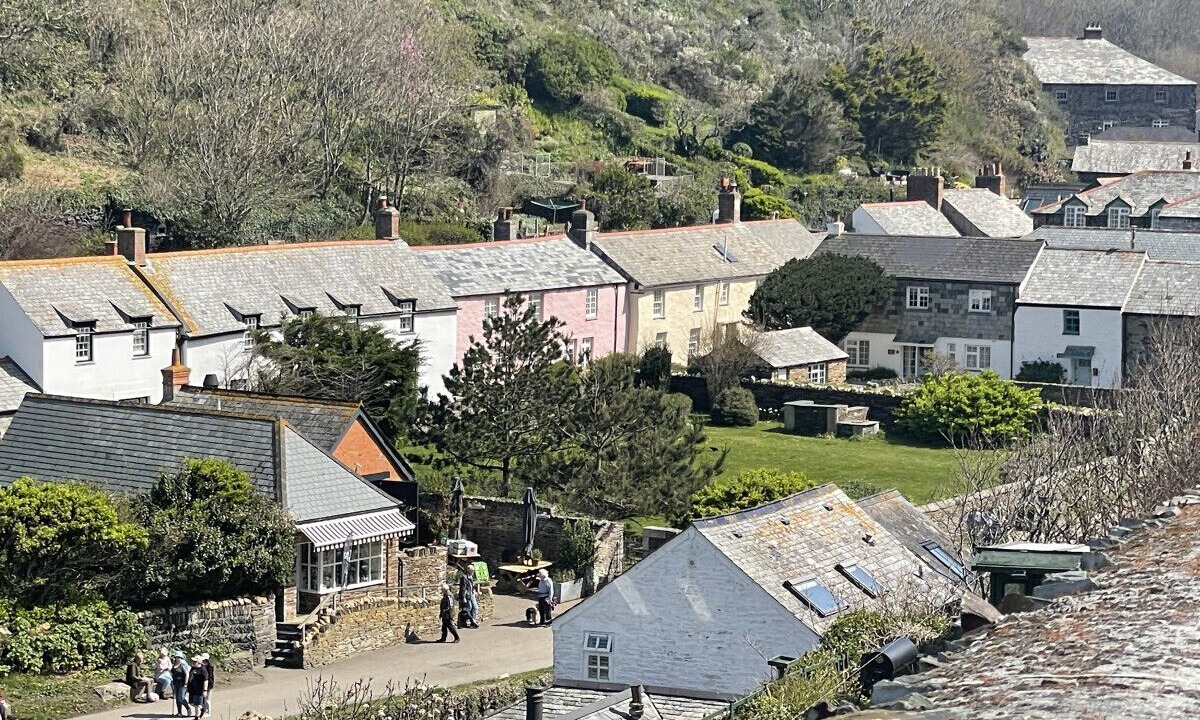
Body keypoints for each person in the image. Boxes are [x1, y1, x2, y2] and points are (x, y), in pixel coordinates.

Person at [186, 654, 208, 720]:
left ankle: (196, 717)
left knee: (196, 705)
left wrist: (205, 690)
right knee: (191, 703)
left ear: (198, 662)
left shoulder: (203, 670)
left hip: (199, 690)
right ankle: (202, 708)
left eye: (194, 661)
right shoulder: (192, 668)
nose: (193, 663)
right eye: (193, 661)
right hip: (192, 689)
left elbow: (206, 680)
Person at [170, 652, 191, 717]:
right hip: (175, 683)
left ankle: (188, 708)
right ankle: (179, 712)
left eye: (179, 657)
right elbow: (172, 672)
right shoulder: (174, 664)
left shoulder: (183, 664)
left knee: (181, 698)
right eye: (176, 657)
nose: (177, 659)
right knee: (177, 698)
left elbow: (187, 674)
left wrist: (186, 683)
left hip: (182, 683)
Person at [201, 653, 215, 718]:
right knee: (205, 698)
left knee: (207, 698)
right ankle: (205, 711)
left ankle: (208, 712)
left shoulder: (209, 666)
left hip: (209, 683)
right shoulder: (207, 665)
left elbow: (209, 676)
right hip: (208, 683)